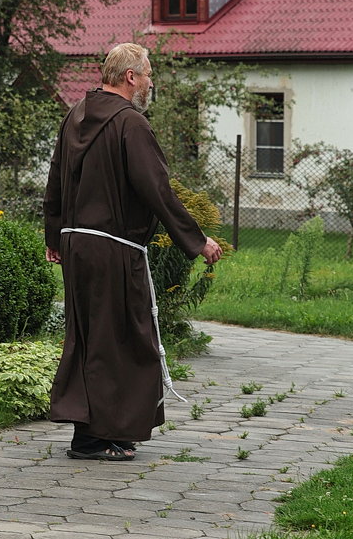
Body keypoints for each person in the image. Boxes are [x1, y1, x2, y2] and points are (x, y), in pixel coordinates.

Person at [43, 42, 222, 461]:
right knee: (121, 340)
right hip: (112, 248)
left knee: (92, 338)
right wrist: (196, 240)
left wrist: (54, 236)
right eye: (148, 74)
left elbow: (55, 180)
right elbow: (156, 188)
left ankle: (105, 432)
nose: (151, 82)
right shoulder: (130, 123)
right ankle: (92, 438)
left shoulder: (74, 117)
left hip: (77, 245)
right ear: (129, 77)